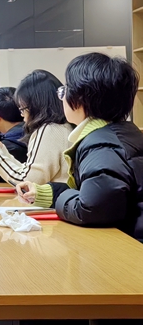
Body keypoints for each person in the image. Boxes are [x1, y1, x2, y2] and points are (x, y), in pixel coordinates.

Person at [17, 53, 143, 239]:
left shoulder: (101, 146)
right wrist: (48, 193)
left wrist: (61, 199)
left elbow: (92, 209)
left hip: (128, 248)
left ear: (81, 99)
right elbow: (95, 194)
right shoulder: (120, 133)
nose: (62, 97)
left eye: (65, 90)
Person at [0, 70, 72, 184]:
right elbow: (28, 172)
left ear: (35, 106)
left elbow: (27, 181)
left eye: (23, 109)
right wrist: (2, 153)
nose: (23, 116)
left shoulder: (49, 130)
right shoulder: (63, 127)